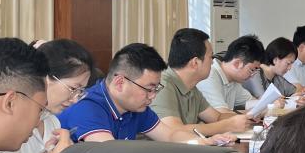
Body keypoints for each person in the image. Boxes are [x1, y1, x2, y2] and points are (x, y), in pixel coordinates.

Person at [57, 42, 231, 145]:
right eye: (148, 89)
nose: (153, 96)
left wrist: (202, 142)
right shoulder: (88, 107)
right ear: (120, 83)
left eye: (156, 89)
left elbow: (170, 135)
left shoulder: (136, 108)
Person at [0, 39, 95, 153]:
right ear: (45, 77)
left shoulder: (52, 121)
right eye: (73, 89)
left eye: (81, 91)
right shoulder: (9, 126)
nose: (75, 99)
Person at [150, 28, 253, 136]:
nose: (212, 62)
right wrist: (227, 125)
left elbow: (217, 117)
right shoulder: (162, 85)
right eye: (210, 57)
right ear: (195, 63)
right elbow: (174, 130)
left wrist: (248, 117)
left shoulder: (191, 88)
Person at [197, 34, 266, 116]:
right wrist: (254, 112)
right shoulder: (209, 75)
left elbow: (253, 103)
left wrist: (269, 105)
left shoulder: (233, 80)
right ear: (237, 63)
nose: (252, 76)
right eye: (252, 70)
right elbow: (221, 115)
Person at [243, 37, 299, 102]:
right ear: (275, 60)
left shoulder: (277, 77)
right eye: (288, 63)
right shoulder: (254, 74)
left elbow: (294, 91)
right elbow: (264, 101)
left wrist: (297, 97)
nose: (290, 68)